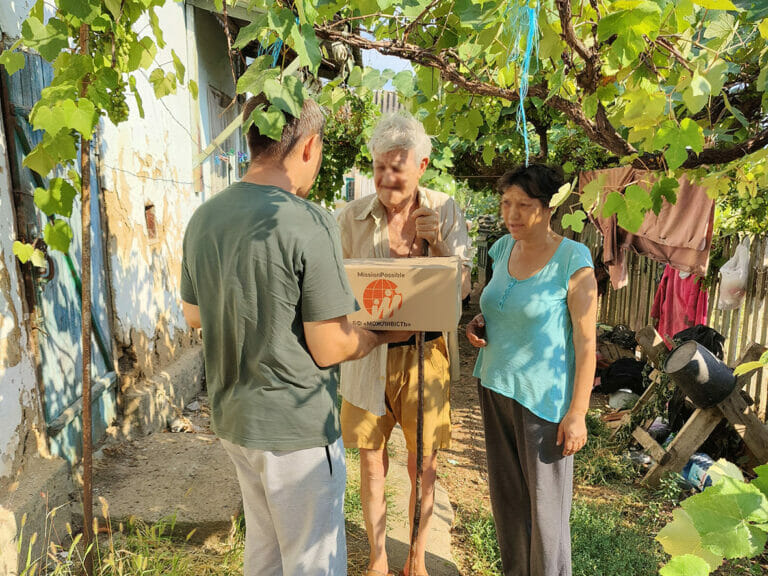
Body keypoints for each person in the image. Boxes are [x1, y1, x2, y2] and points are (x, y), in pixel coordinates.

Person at [180, 95, 410, 576]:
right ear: (308, 146)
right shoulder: (308, 221)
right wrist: (371, 335)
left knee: (264, 553)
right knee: (310, 562)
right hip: (296, 430)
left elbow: (194, 315)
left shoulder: (204, 217)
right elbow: (329, 346)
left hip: (235, 420)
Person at [336, 113, 471, 576]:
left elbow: (463, 289)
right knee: (371, 461)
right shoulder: (349, 217)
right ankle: (376, 560)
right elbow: (333, 288)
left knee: (423, 464)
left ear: (423, 164)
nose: (386, 178)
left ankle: (416, 557)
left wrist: (437, 248)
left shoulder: (446, 210)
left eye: (398, 167)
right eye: (379, 167)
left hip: (424, 356)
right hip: (364, 355)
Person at [466, 164, 597, 576]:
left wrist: (578, 412)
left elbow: (586, 342)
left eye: (524, 205)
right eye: (506, 203)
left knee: (546, 516)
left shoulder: (573, 261)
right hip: (496, 386)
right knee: (508, 504)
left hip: (544, 402)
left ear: (549, 207)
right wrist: (478, 324)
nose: (512, 214)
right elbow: (500, 306)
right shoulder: (502, 248)